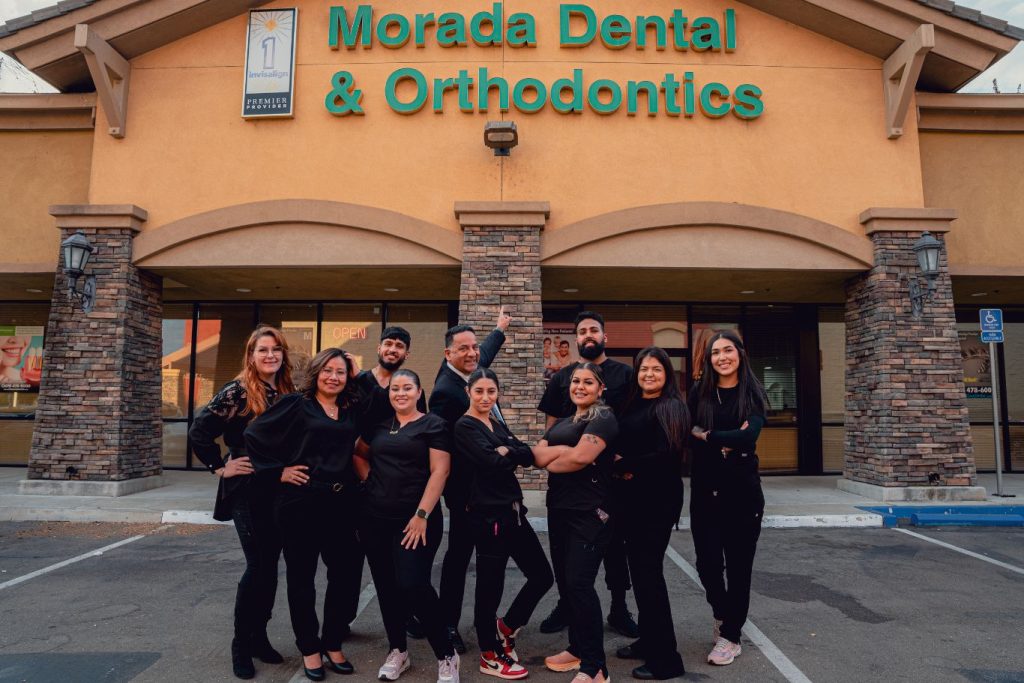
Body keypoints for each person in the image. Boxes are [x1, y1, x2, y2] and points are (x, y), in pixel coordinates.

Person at [245, 348, 365, 681]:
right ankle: (310, 648)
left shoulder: (349, 410)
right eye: (328, 370)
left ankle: (332, 642)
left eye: (340, 372)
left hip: (341, 504)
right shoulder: (296, 404)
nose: (334, 377)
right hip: (301, 503)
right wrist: (277, 471)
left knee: (343, 578)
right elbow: (253, 435)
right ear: (316, 373)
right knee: (302, 581)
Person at [188, 325, 295, 680]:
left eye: (275, 349)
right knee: (258, 566)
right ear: (251, 355)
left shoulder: (285, 389)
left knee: (270, 566)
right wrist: (220, 466)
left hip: (278, 487)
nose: (270, 355)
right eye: (263, 350)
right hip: (247, 487)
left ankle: (259, 636)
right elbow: (200, 431)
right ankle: (240, 643)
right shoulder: (238, 391)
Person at [353, 369, 460, 683]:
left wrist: (421, 515)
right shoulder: (379, 426)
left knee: (413, 584)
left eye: (407, 388)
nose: (400, 393)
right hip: (375, 519)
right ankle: (398, 650)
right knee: (386, 587)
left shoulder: (433, 424)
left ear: (418, 391)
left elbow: (440, 471)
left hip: (417, 521)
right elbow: (359, 453)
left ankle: (446, 655)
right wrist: (369, 481)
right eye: (395, 388)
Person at [537, 311, 637, 638]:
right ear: (576, 339)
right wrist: (549, 455)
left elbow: (633, 422)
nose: (588, 335)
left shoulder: (624, 375)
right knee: (565, 553)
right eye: (582, 331)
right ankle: (567, 605)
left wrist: (627, 457)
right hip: (566, 482)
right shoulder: (561, 377)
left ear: (605, 337)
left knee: (615, 551)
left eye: (594, 330)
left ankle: (619, 609)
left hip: (612, 481)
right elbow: (551, 427)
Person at [454, 368, 553, 680]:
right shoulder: (465, 426)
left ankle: (506, 627)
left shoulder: (494, 422)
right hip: (489, 518)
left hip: (515, 514)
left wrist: (508, 449)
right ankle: (488, 653)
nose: (485, 397)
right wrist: (511, 452)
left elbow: (525, 454)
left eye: (491, 392)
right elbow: (492, 462)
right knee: (489, 589)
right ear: (469, 392)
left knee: (542, 576)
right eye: (479, 391)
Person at [430, 307, 512, 653]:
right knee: (458, 560)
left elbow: (483, 353)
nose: (471, 352)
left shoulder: (472, 370)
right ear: (447, 353)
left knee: (478, 558)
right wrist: (458, 494)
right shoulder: (446, 393)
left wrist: (499, 330)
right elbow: (447, 450)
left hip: (487, 493)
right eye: (462, 348)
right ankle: (447, 625)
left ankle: (477, 622)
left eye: (474, 347)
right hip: (467, 495)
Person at [533, 362, 619, 683]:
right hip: (560, 511)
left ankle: (596, 667)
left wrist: (553, 457)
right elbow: (540, 452)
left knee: (580, 585)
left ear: (600, 388)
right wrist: (559, 453)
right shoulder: (566, 421)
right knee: (568, 585)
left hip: (591, 513)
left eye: (587, 382)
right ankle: (577, 648)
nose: (579, 386)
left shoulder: (604, 418)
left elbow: (578, 459)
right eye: (575, 382)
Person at [688, 331, 768, 667]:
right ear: (709, 360)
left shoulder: (752, 392)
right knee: (706, 565)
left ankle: (731, 636)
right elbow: (685, 430)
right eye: (715, 352)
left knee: (737, 569)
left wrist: (709, 435)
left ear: (740, 353)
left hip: (742, 494)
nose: (722, 357)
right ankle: (724, 615)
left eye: (728, 350)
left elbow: (748, 435)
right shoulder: (699, 393)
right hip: (705, 492)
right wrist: (724, 440)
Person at [614, 347, 688, 680]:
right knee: (642, 577)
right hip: (632, 501)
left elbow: (667, 456)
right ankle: (648, 641)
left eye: (656, 369)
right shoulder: (633, 403)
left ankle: (666, 660)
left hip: (656, 503)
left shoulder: (671, 406)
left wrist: (625, 465)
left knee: (649, 579)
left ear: (667, 374)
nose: (649, 375)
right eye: (644, 369)